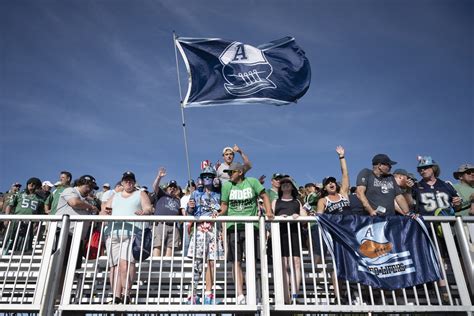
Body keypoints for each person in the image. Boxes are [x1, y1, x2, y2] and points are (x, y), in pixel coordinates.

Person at [216, 162, 273, 305]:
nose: (229, 175)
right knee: (235, 261)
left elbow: (265, 196)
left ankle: (251, 291)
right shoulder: (227, 185)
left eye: (231, 172)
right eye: (228, 173)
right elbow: (224, 206)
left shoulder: (252, 181)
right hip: (232, 228)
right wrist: (218, 213)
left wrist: (269, 212)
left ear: (240, 172)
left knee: (251, 260)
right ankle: (240, 294)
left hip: (251, 228)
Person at [101, 171, 152, 304]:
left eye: (131, 180)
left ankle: (126, 294)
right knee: (114, 267)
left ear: (134, 182)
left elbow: (148, 208)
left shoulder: (140, 193)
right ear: (122, 182)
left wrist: (144, 212)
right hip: (112, 233)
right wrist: (104, 214)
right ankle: (116, 297)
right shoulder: (115, 195)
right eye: (126, 180)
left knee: (126, 264)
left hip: (131, 234)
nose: (128, 182)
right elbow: (104, 208)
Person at [186, 166, 224, 304]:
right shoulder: (195, 194)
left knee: (212, 262)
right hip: (200, 229)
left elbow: (223, 208)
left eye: (210, 176)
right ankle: (193, 294)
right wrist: (190, 206)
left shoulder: (219, 194)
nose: (207, 178)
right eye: (205, 176)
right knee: (197, 263)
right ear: (201, 179)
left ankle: (208, 294)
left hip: (214, 230)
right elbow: (189, 214)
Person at [272, 176, 306, 304]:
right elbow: (270, 217)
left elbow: (304, 217)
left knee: (296, 262)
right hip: (280, 234)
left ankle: (295, 296)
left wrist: (298, 216)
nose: (285, 184)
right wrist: (279, 217)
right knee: (284, 265)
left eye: (288, 183)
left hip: (294, 233)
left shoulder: (297, 202)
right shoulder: (276, 201)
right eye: (283, 183)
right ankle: (286, 296)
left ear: (292, 186)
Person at [4, 178, 45, 254]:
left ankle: (22, 255)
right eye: (29, 183)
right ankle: (5, 253)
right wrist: (7, 218)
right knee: (10, 238)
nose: (31, 185)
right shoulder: (18, 194)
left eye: (34, 183)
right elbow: (9, 206)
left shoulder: (40, 199)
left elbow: (40, 213)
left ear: (38, 186)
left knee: (26, 241)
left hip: (29, 223)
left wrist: (37, 224)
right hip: (16, 221)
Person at [152, 167, 181, 257]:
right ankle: (155, 266)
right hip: (161, 224)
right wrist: (159, 177)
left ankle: (167, 268)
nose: (172, 189)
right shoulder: (162, 194)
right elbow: (155, 187)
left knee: (170, 247)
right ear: (167, 188)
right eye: (170, 187)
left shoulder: (178, 200)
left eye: (174, 188)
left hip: (173, 226)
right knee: (157, 246)